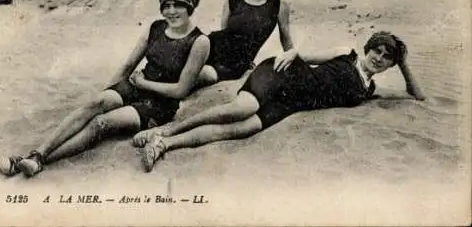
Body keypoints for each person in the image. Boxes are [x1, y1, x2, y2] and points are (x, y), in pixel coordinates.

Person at [0, 0, 210, 178]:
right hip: (135, 87)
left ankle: (36, 161)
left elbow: (181, 90)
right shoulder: (156, 27)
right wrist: (106, 93)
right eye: (166, 6)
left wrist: (144, 83)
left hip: (160, 104)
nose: (171, 12)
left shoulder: (199, 42)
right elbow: (128, 65)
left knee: (101, 122)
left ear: (189, 7)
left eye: (178, 5)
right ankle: (36, 155)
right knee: (94, 105)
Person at [132, 31, 426, 172]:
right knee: (241, 108)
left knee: (241, 128)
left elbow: (418, 95)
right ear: (368, 48)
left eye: (387, 58)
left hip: (292, 104)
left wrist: (404, 62)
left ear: (390, 66)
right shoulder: (346, 52)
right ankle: (167, 130)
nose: (379, 59)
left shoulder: (369, 88)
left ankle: (164, 143)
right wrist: (288, 53)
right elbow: (301, 55)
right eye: (377, 51)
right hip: (282, 76)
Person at [197, 0, 296, 86]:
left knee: (207, 75)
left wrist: (295, 62)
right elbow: (224, 32)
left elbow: (286, 38)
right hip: (211, 46)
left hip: (236, 63)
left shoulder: (279, 4)